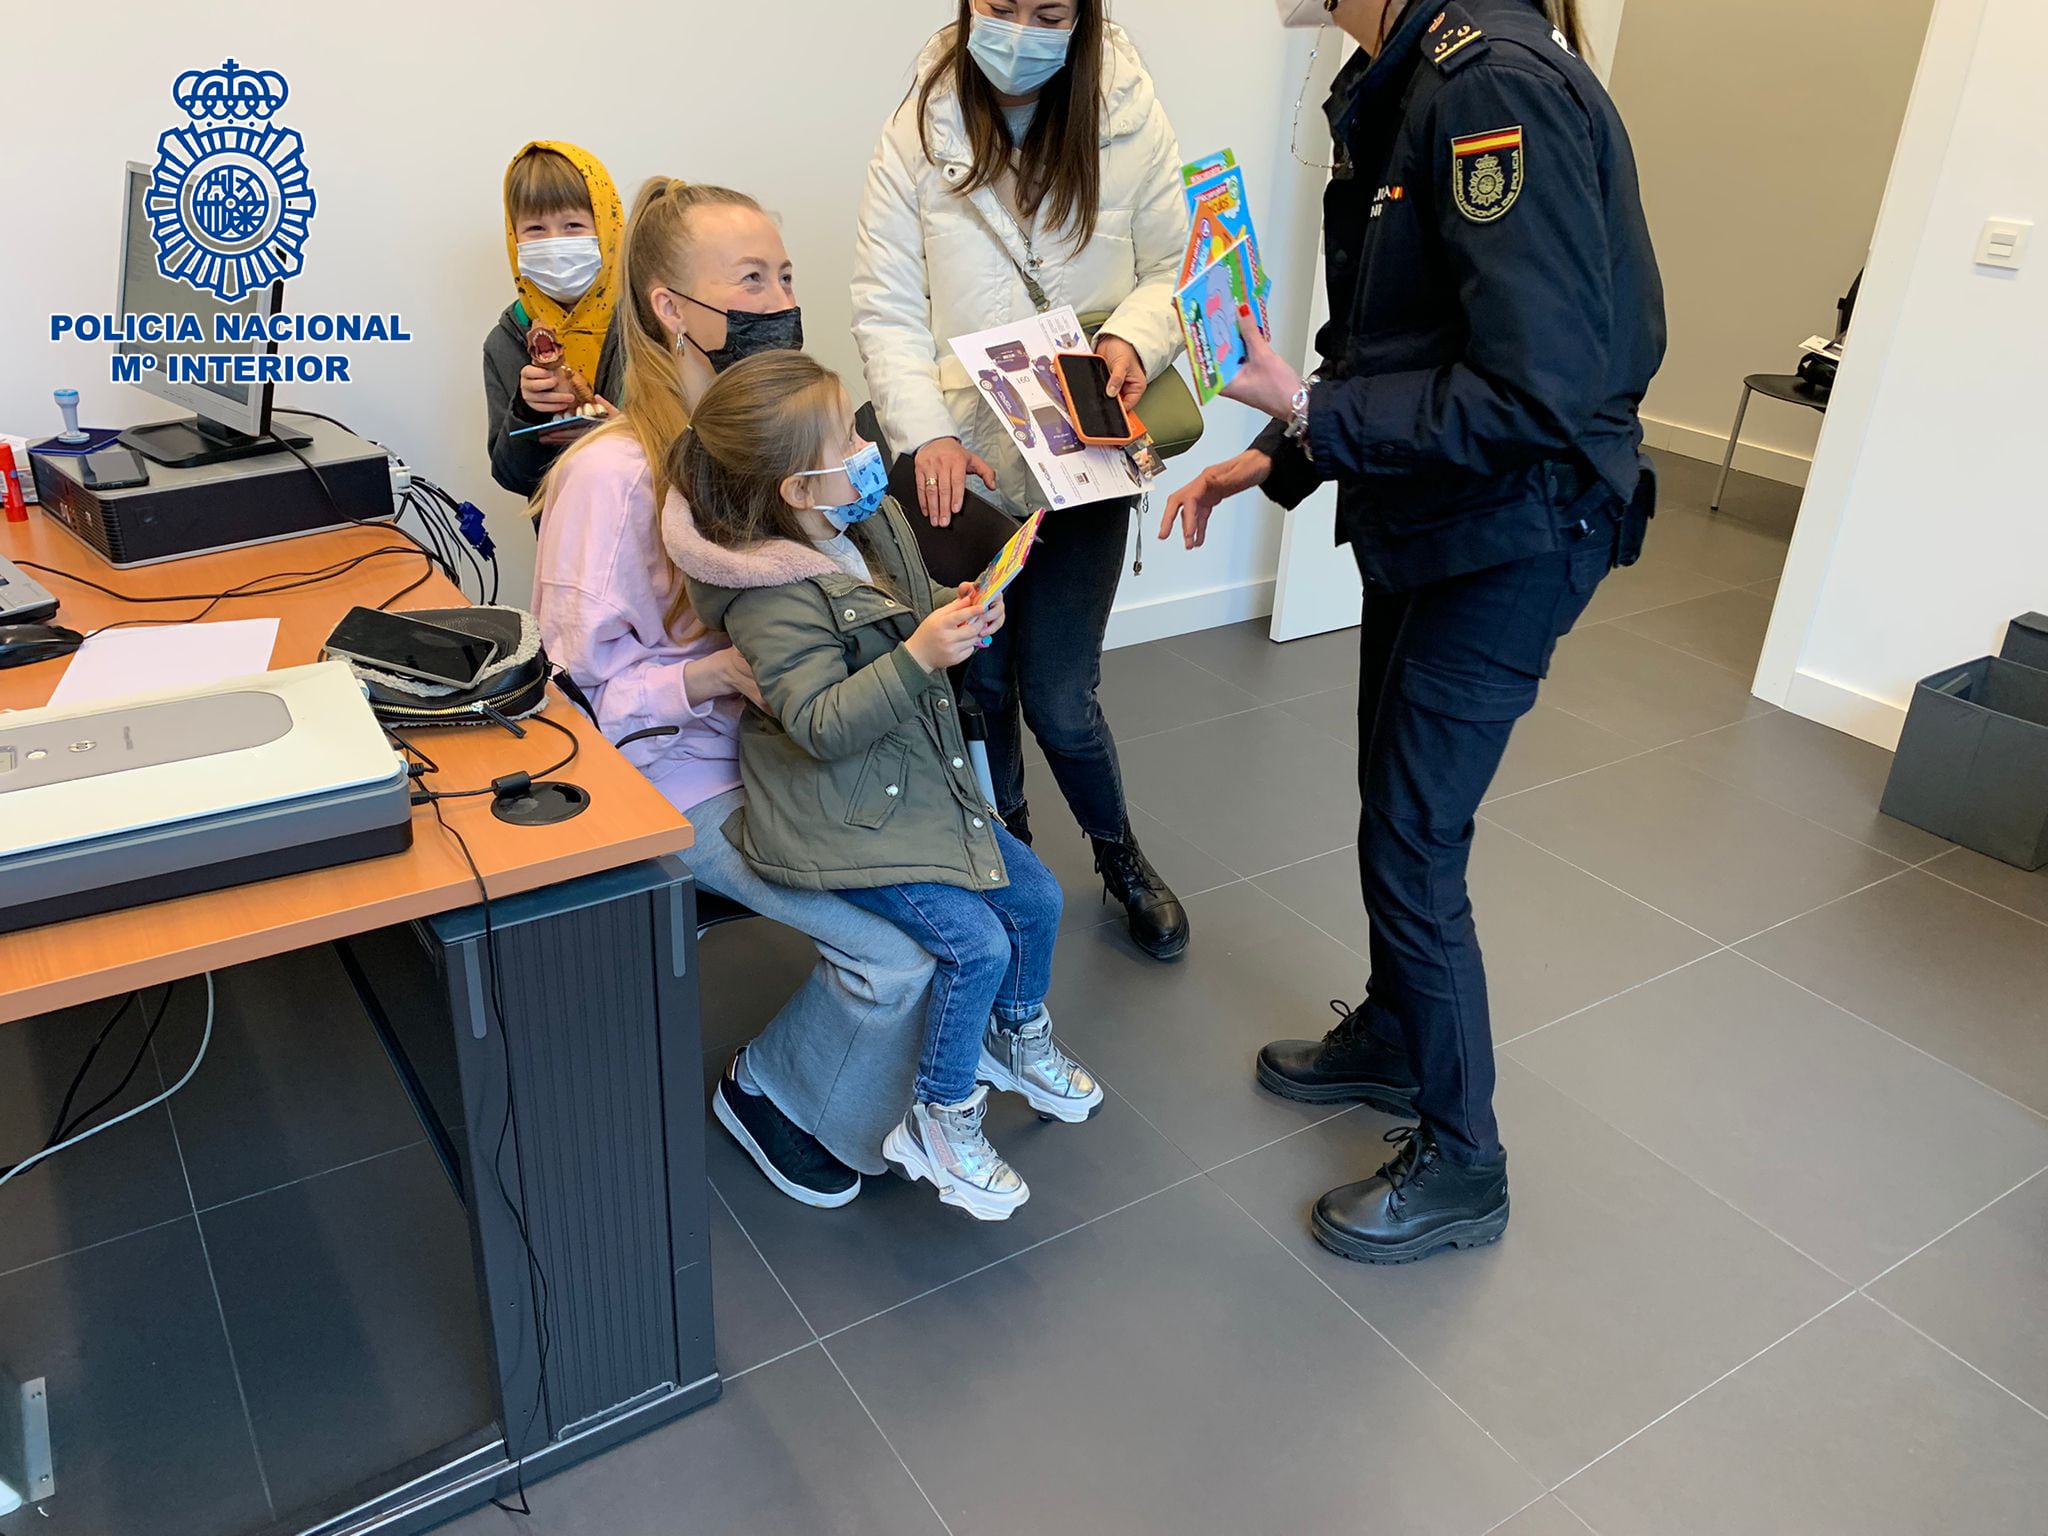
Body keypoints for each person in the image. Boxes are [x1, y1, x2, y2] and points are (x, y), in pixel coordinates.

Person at [1161, 0, 1665, 1263]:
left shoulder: (1492, 86)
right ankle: (1395, 1033)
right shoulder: (1399, 78)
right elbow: (1393, 343)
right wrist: (1278, 454)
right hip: (1436, 515)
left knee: (1412, 832)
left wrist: (1303, 408)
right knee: (1390, 796)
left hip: (1515, 530)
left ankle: (1464, 1163)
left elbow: (1531, 392)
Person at [534, 178, 934, 1209]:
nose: (780, 302)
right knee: (897, 957)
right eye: (750, 281)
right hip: (686, 776)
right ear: (671, 307)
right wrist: (706, 676)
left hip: (794, 740)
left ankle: (908, 1083)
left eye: (785, 277)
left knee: (965, 889)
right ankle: (771, 1095)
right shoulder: (614, 475)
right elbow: (574, 696)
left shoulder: (780, 442)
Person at [668, 352, 1101, 1223]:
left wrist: (958, 605)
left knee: (1039, 899)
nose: (868, 447)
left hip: (911, 783)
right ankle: (939, 1118)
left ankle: (1014, 1036)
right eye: (847, 439)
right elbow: (819, 723)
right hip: (841, 817)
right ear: (797, 488)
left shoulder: (866, 528)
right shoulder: (768, 599)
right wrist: (919, 656)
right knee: (975, 945)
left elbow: (901, 608)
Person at [851, 0, 1194, 960]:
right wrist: (925, 434)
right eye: (999, 7)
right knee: (983, 681)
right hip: (965, 456)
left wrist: (1133, 339)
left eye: (1048, 12)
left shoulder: (1126, 108)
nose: (1019, 31)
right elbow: (885, 304)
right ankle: (1012, 855)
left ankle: (1120, 857)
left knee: (1060, 694)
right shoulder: (920, 125)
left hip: (1084, 439)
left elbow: (1174, 266)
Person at [485, 142, 628, 499]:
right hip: (565, 526)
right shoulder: (506, 341)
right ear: (513, 237)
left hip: (653, 524)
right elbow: (511, 476)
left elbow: (703, 449)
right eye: (535, 229)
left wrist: (627, 436)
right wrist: (526, 412)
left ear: (607, 228)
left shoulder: (654, 322)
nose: (554, 243)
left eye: (573, 225)